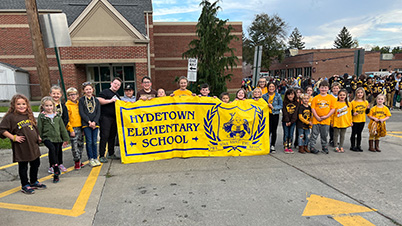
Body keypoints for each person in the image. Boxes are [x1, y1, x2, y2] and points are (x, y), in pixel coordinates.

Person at [0, 94, 47, 194]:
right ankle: (25, 184)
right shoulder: (11, 117)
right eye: (18, 104)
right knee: (23, 166)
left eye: (23, 104)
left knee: (36, 163)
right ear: (13, 105)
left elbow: (34, 127)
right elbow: (2, 129)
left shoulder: (28, 114)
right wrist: (13, 137)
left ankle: (34, 181)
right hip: (22, 147)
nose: (21, 106)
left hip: (33, 145)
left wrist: (38, 136)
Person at [38, 96, 69, 183]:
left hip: (57, 138)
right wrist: (39, 136)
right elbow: (39, 127)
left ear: (54, 106)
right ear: (43, 106)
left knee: (57, 151)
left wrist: (66, 138)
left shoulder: (57, 116)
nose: (49, 108)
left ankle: (56, 167)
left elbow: (62, 128)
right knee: (52, 149)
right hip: (47, 137)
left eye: (51, 105)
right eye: (46, 106)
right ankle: (55, 167)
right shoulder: (42, 116)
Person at [97, 77, 122, 163]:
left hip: (114, 118)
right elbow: (99, 100)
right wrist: (110, 101)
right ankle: (101, 155)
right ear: (111, 83)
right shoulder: (105, 92)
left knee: (112, 137)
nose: (116, 86)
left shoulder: (118, 95)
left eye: (118, 85)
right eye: (115, 83)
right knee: (104, 136)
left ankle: (111, 153)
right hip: (105, 118)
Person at [309, 80, 336, 154]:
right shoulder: (315, 98)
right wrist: (317, 116)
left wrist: (327, 116)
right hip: (316, 120)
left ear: (328, 88)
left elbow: (333, 108)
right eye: (322, 88)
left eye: (325, 87)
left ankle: (324, 146)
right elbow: (313, 108)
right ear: (319, 88)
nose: (323, 89)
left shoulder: (331, 98)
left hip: (326, 120)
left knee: (324, 135)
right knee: (314, 134)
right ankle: (312, 146)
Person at [79, 82, 101, 167]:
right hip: (86, 124)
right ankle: (91, 158)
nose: (88, 91)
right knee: (89, 141)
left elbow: (98, 112)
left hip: (95, 124)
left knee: (95, 142)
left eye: (90, 89)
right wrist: (89, 122)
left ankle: (95, 157)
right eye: (86, 89)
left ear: (93, 90)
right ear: (84, 90)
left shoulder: (96, 100)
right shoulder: (81, 100)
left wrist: (94, 122)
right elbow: (82, 112)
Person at [49, 85, 69, 173]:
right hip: (51, 131)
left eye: (58, 93)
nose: (56, 95)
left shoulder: (63, 106)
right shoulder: (48, 105)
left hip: (60, 131)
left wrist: (62, 128)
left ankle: (60, 163)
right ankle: (52, 165)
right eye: (54, 93)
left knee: (59, 148)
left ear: (61, 95)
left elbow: (66, 118)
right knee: (52, 149)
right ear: (50, 94)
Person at [65, 87, 85, 170]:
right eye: (71, 95)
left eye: (74, 94)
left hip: (80, 126)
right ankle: (76, 161)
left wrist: (83, 128)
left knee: (81, 144)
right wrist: (70, 129)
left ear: (77, 95)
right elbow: (67, 119)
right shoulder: (67, 106)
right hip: (73, 128)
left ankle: (79, 159)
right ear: (68, 96)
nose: (73, 96)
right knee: (74, 145)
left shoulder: (79, 104)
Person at [262, 82, 283, 153]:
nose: (271, 88)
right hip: (267, 115)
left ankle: (272, 145)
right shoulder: (264, 96)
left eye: (273, 86)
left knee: (274, 130)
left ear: (275, 87)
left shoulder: (278, 95)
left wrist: (273, 107)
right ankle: (266, 144)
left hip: (275, 114)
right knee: (267, 130)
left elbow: (281, 105)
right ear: (267, 88)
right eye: (270, 86)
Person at [350, 87, 370, 152]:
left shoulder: (365, 102)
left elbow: (366, 112)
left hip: (362, 120)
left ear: (363, 94)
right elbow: (350, 111)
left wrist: (368, 109)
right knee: (354, 133)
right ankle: (352, 145)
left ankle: (358, 145)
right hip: (355, 120)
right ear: (356, 94)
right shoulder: (353, 102)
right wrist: (353, 113)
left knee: (359, 133)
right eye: (358, 93)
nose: (360, 94)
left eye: (361, 93)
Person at [282, 88, 299, 154]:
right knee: (286, 134)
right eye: (288, 94)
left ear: (294, 95)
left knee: (291, 134)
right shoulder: (284, 103)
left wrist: (291, 121)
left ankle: (290, 146)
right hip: (285, 121)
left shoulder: (297, 103)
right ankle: (285, 146)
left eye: (291, 94)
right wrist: (287, 121)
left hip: (293, 121)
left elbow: (295, 113)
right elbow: (284, 112)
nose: (290, 96)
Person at [329, 82, 341, 147]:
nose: (335, 90)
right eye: (334, 88)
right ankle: (331, 139)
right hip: (331, 114)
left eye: (337, 88)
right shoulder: (330, 97)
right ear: (332, 89)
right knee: (331, 128)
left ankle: (336, 140)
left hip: (338, 114)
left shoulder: (341, 96)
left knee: (337, 129)